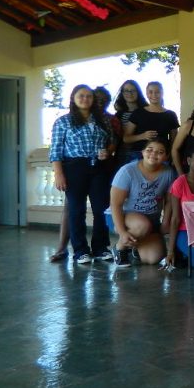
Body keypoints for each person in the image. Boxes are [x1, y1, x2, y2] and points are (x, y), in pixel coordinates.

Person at [49, 84, 113, 264]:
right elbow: (55, 150)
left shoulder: (102, 120)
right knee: (77, 210)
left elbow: (111, 141)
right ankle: (80, 251)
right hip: (74, 168)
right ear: (73, 98)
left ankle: (100, 248)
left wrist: (107, 152)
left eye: (89, 96)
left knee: (101, 209)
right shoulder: (64, 121)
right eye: (81, 96)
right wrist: (59, 174)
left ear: (93, 100)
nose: (85, 99)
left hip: (98, 168)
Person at [110, 137, 177, 267]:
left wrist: (165, 222)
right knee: (142, 226)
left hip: (151, 220)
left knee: (153, 258)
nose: (153, 154)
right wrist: (122, 232)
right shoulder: (127, 171)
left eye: (160, 152)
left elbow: (169, 201)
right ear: (142, 152)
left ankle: (135, 247)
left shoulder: (168, 173)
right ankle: (119, 248)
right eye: (149, 150)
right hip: (125, 217)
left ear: (166, 156)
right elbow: (115, 204)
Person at [124, 81, 180, 161]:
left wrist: (170, 156)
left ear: (162, 93)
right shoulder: (138, 113)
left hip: (161, 157)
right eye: (150, 92)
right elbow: (126, 138)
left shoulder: (170, 115)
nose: (154, 95)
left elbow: (174, 141)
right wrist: (142, 136)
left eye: (157, 92)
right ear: (146, 94)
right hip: (138, 156)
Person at [113, 80, 147, 165]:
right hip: (121, 154)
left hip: (141, 154)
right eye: (126, 90)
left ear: (138, 92)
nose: (130, 93)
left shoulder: (146, 112)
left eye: (133, 90)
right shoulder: (118, 114)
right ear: (122, 93)